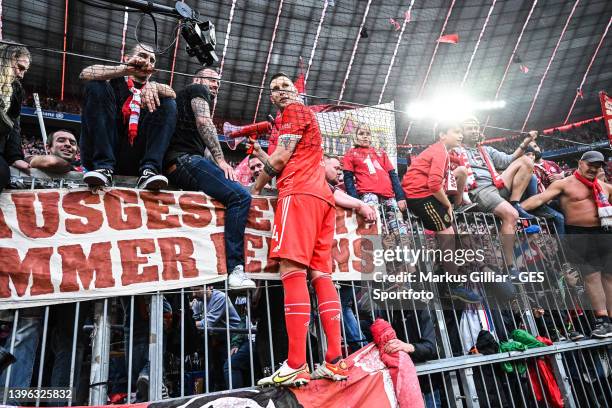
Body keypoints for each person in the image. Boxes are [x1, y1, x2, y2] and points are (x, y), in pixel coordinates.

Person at [252, 72, 346, 387]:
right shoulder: (303, 119)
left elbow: (281, 158)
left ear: (296, 92)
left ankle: (295, 364)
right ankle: (334, 361)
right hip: (323, 199)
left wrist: (255, 188)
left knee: (292, 270)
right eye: (274, 89)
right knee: (321, 275)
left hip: (300, 194)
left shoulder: (294, 111)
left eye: (285, 87)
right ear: (270, 97)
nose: (280, 92)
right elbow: (289, 156)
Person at [164, 68, 254, 290]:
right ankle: (235, 269)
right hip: (184, 160)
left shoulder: (184, 109)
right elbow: (205, 122)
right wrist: (222, 161)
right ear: (197, 79)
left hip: (180, 163)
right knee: (241, 197)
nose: (215, 84)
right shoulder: (197, 90)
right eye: (211, 79)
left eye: (218, 82)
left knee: (222, 199)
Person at [522, 151, 612, 338]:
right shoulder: (564, 184)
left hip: (605, 232)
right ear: (580, 163)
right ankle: (603, 320)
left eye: (598, 165)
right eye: (591, 165)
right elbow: (539, 199)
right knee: (592, 277)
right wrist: (516, 209)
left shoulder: (605, 186)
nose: (594, 168)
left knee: (610, 278)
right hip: (580, 234)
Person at [402, 121, 482, 304]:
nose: (461, 135)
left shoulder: (442, 151)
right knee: (447, 233)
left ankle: (459, 204)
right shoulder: (439, 151)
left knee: (451, 232)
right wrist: (447, 205)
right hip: (419, 196)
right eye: (456, 131)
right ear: (442, 135)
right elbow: (433, 185)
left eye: (461, 132)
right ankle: (453, 286)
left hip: (427, 192)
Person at [79, 44, 177, 189]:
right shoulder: (111, 81)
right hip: (102, 152)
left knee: (168, 103)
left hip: (134, 157)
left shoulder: (154, 90)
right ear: (127, 58)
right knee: (96, 86)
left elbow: (173, 93)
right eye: (142, 56)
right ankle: (103, 168)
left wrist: (155, 85)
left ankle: (149, 170)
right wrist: (126, 69)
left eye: (151, 60)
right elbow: (86, 73)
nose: (147, 62)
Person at [458, 116, 539, 279]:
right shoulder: (455, 150)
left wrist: (526, 141)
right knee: (511, 216)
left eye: (476, 127)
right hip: (478, 189)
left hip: (496, 185)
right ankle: (509, 267)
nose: (474, 131)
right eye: (469, 128)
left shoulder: (486, 150)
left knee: (527, 161)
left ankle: (515, 203)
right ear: (461, 132)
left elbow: (508, 160)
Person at [343, 124, 407, 236]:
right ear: (355, 136)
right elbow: (348, 179)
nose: (365, 136)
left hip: (389, 196)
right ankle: (375, 252)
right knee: (375, 230)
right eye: (361, 134)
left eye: (368, 134)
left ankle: (400, 252)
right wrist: (356, 202)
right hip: (368, 196)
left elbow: (393, 175)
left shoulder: (381, 152)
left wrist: (400, 197)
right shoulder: (350, 154)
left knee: (400, 231)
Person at [0, 42, 31, 191]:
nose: (21, 74)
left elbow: (14, 128)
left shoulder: (16, 90)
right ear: (7, 60)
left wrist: (15, 157)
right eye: (20, 68)